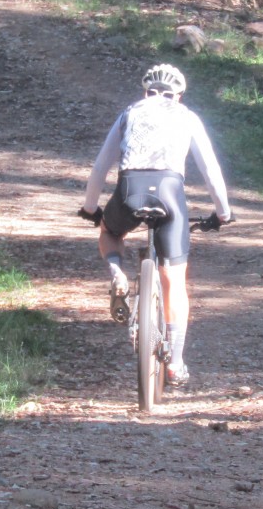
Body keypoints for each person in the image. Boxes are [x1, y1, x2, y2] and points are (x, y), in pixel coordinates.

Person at [78, 63, 233, 387]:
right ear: (178, 95)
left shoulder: (129, 113)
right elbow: (210, 171)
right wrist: (222, 213)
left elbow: (100, 167)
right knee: (174, 280)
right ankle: (175, 362)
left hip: (129, 189)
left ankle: (117, 271)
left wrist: (91, 209)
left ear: (145, 91)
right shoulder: (187, 117)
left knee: (110, 231)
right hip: (170, 193)